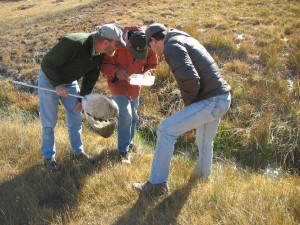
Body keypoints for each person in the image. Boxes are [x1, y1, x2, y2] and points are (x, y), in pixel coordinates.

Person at [132, 23, 232, 195]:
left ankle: (156, 185)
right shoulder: (182, 38)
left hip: (211, 100)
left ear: (153, 40)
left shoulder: (172, 46)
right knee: (204, 142)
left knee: (165, 130)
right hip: (222, 98)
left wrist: (190, 106)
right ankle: (202, 179)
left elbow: (191, 80)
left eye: (150, 47)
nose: (153, 51)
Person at [38, 24, 126, 172]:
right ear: (106, 42)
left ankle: (78, 152)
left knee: (76, 115)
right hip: (49, 79)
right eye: (116, 45)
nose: (117, 48)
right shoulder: (73, 43)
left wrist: (81, 99)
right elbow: (47, 63)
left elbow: (91, 76)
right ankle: (48, 158)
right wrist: (58, 84)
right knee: (49, 120)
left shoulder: (100, 53)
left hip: (70, 81)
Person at [101, 26, 158, 164]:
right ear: (128, 44)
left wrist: (147, 73)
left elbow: (152, 64)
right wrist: (117, 71)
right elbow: (104, 65)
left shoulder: (147, 43)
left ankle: (129, 143)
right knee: (126, 116)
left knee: (133, 116)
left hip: (135, 85)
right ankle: (123, 152)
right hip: (117, 85)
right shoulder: (116, 43)